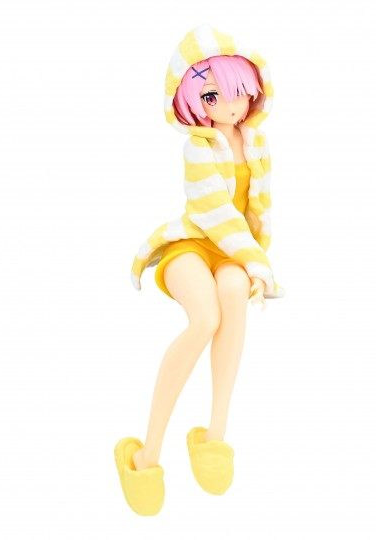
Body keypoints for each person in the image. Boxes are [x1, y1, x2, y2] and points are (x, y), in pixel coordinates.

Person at [114, 24, 285, 516]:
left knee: (233, 295)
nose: (228, 105)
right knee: (205, 319)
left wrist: (254, 261)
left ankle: (214, 436)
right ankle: (145, 454)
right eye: (212, 95)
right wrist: (258, 262)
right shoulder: (198, 146)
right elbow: (216, 214)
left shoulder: (255, 142)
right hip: (193, 242)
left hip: (233, 252)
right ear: (191, 100)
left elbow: (258, 212)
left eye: (237, 91)